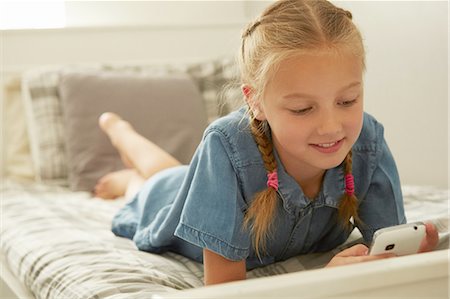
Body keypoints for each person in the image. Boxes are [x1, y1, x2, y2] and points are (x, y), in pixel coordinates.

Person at [94, 0, 439, 286]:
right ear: (255, 101)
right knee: (157, 179)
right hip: (167, 198)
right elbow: (226, 290)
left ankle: (127, 146)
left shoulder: (369, 142)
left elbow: (389, 248)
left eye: (348, 100)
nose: (332, 126)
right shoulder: (225, 147)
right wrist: (322, 283)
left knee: (175, 171)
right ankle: (122, 137)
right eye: (303, 109)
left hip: (197, 177)